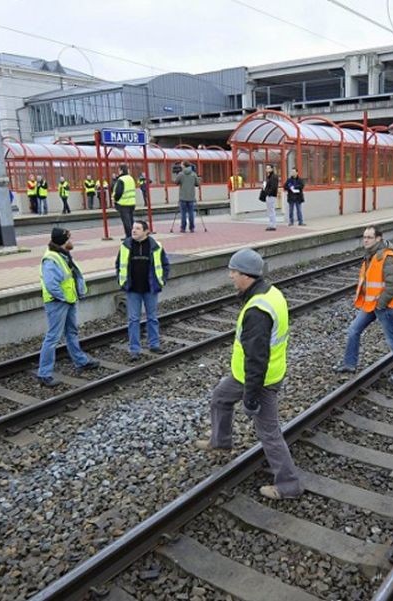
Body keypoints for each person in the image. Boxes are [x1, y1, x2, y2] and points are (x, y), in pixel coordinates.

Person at [194, 248, 303, 500]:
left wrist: (251, 396)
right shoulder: (270, 292)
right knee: (220, 397)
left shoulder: (257, 311)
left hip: (260, 380)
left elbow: (257, 359)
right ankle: (220, 441)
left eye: (234, 271)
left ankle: (289, 485)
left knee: (269, 432)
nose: (230, 276)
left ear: (247, 275)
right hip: (247, 375)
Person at [334, 225, 393, 383]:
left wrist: (381, 304)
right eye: (364, 237)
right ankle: (349, 364)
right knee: (353, 330)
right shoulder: (371, 255)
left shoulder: (387, 256)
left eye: (369, 237)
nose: (365, 240)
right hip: (371, 305)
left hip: (384, 306)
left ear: (378, 238)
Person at [36, 227, 100, 387]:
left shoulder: (61, 254)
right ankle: (44, 373)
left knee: (71, 332)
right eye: (69, 238)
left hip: (67, 300)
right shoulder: (51, 259)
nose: (72, 241)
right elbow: (51, 284)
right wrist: (64, 297)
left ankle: (81, 361)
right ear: (63, 241)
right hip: (58, 302)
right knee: (53, 337)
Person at [116, 220, 170, 360]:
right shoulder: (125, 246)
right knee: (133, 319)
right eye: (133, 228)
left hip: (150, 288)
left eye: (138, 228)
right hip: (132, 289)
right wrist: (122, 281)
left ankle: (154, 345)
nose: (134, 231)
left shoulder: (156, 246)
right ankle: (134, 349)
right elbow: (118, 264)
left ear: (146, 231)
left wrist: (162, 280)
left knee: (152, 318)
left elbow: (165, 264)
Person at [112, 164, 136, 238]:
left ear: (121, 170)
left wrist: (115, 200)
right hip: (132, 202)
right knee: (131, 220)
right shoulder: (131, 178)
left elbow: (118, 192)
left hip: (123, 203)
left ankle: (129, 236)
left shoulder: (121, 179)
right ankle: (134, 234)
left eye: (119, 170)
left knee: (126, 222)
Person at [175, 161, 199, 233]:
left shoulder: (181, 174)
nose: (181, 166)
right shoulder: (193, 174)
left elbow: (176, 182)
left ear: (184, 166)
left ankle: (183, 228)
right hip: (191, 197)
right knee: (191, 213)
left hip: (182, 197)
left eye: (182, 165)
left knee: (183, 214)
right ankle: (192, 228)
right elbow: (197, 184)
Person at [262, 164, 279, 231]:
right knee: (269, 210)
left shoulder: (273, 177)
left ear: (272, 169)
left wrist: (268, 192)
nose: (267, 169)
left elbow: (273, 187)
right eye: (266, 168)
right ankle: (271, 224)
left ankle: (273, 225)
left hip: (271, 195)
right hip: (268, 195)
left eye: (268, 168)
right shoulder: (269, 177)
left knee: (271, 210)